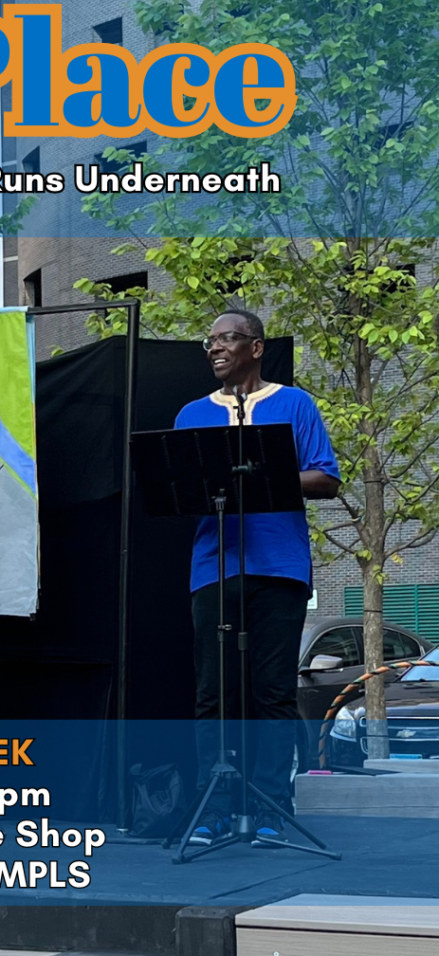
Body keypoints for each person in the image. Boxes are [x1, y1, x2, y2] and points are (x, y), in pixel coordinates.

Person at [174, 309, 340, 847]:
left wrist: (265, 474)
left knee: (272, 692)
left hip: (280, 565)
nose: (216, 348)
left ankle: (273, 805)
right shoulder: (192, 414)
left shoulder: (294, 403)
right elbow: (176, 486)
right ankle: (214, 808)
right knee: (212, 694)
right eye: (211, 341)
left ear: (256, 347)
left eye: (228, 339)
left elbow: (325, 477)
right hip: (215, 566)